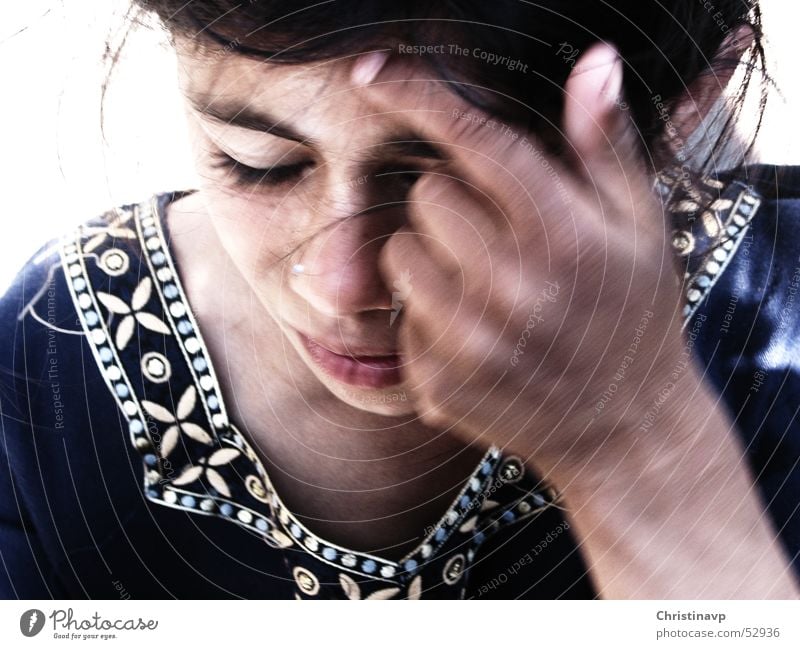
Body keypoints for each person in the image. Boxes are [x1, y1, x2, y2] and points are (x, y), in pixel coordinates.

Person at [1, 0, 798, 599]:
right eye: (259, 163)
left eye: (442, 179)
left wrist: (634, 445)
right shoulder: (49, 361)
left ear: (691, 99)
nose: (342, 287)